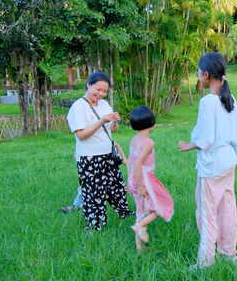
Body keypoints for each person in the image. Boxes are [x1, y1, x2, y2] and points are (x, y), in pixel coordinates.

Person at [178, 52, 237, 269]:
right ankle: (229, 253)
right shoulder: (230, 98)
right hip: (228, 163)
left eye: (198, 72)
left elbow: (206, 139)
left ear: (206, 75)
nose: (197, 76)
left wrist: (191, 145)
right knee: (227, 209)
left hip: (212, 166)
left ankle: (205, 262)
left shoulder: (208, 101)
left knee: (207, 213)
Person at [66, 72, 133, 231]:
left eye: (104, 91)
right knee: (93, 194)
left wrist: (115, 121)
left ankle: (124, 213)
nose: (101, 94)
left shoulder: (104, 104)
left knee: (116, 186)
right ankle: (95, 226)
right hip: (89, 159)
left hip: (108, 155)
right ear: (89, 84)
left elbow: (112, 130)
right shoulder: (78, 107)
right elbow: (81, 135)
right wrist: (102, 120)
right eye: (98, 89)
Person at [124, 106, 174, 251]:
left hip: (134, 176)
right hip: (144, 179)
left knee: (141, 210)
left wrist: (130, 180)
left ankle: (140, 248)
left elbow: (131, 161)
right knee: (163, 205)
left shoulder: (134, 139)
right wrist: (140, 186)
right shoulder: (148, 143)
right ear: (152, 123)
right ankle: (140, 226)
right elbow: (139, 163)